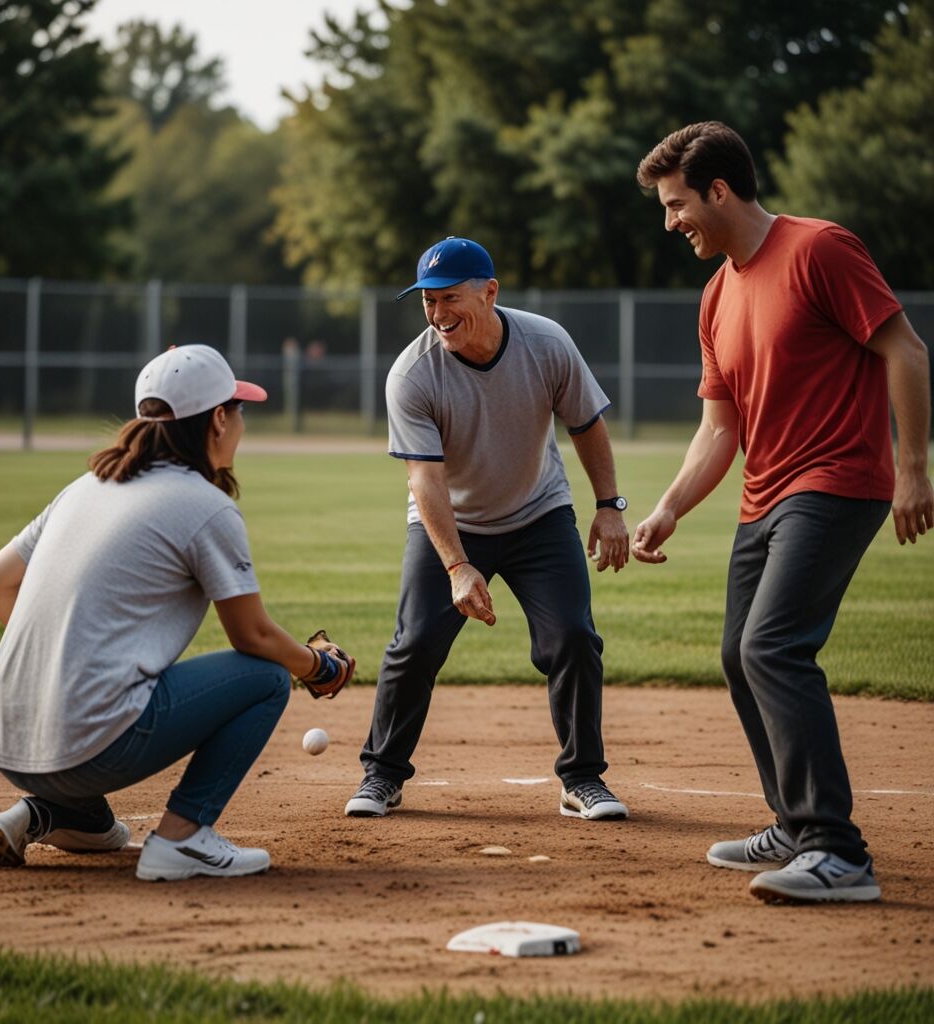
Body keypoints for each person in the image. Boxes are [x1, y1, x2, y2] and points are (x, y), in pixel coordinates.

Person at [633, 122, 933, 904]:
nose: (671, 223)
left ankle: (837, 852)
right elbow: (719, 428)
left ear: (720, 190)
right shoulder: (716, 294)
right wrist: (667, 508)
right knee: (740, 654)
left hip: (837, 482)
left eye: (676, 206)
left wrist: (912, 469)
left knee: (773, 647)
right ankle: (795, 825)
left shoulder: (820, 248)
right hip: (762, 497)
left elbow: (905, 351)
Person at [0, 344, 355, 882]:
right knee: (267, 678)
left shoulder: (84, 487)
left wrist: (58, 665)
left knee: (100, 817)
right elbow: (253, 636)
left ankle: (48, 814)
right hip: (89, 746)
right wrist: (320, 667)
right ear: (219, 419)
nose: (241, 423)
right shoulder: (205, 504)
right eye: (238, 410)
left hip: (7, 739)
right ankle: (183, 838)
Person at [345, 236, 631, 822]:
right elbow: (425, 481)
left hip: (538, 514)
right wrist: (456, 564)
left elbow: (586, 424)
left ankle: (582, 780)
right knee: (415, 643)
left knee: (573, 637)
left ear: (490, 291)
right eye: (427, 300)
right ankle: (382, 775)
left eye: (449, 296)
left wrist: (609, 504)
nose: (437, 313)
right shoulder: (413, 374)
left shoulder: (546, 343)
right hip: (450, 522)